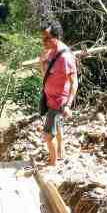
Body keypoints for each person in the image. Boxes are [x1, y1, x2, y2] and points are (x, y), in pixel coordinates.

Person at [39, 21, 77, 166]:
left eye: (47, 38)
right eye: (42, 38)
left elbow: (74, 83)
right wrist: (42, 63)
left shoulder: (65, 58)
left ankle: (53, 162)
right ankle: (61, 151)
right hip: (49, 98)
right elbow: (45, 74)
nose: (44, 42)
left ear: (57, 37)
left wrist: (68, 105)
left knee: (48, 135)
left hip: (58, 101)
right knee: (57, 125)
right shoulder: (50, 52)